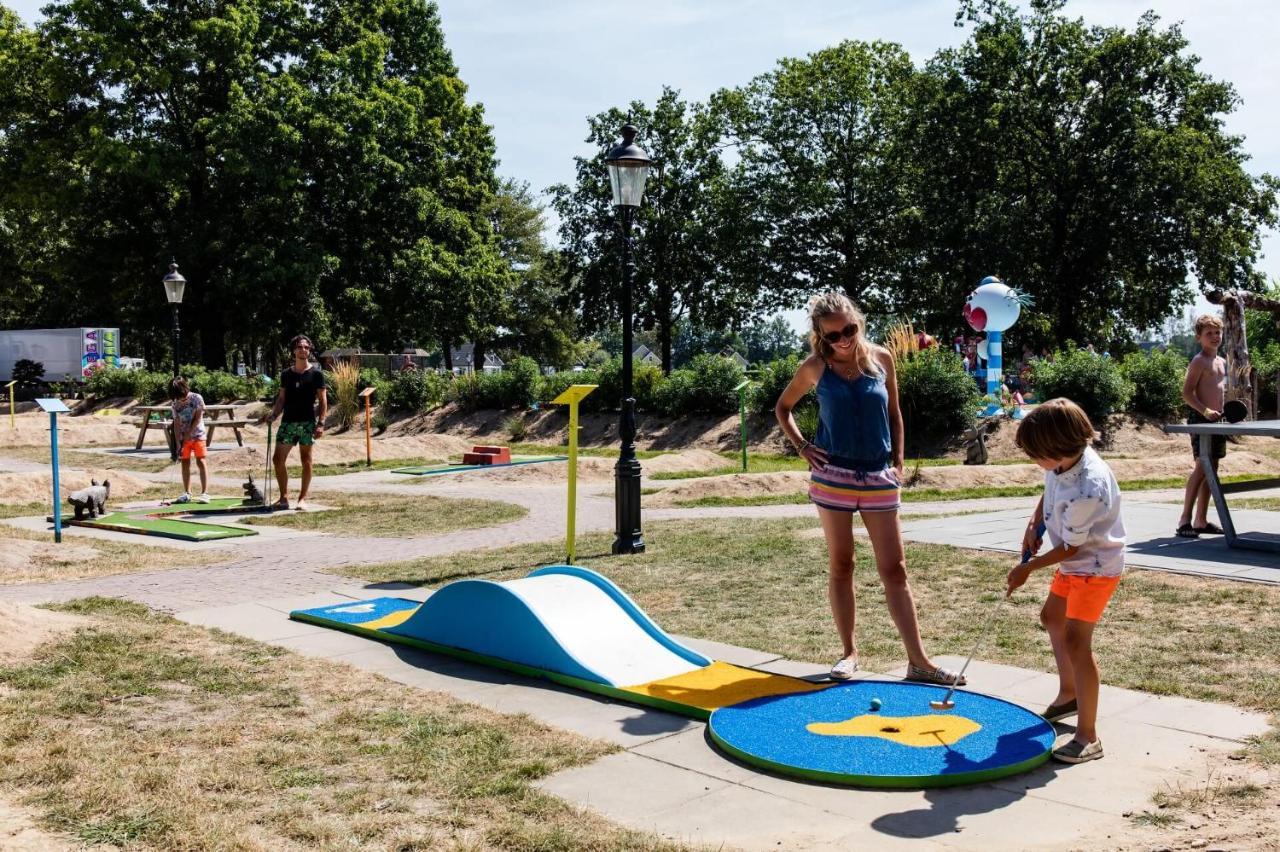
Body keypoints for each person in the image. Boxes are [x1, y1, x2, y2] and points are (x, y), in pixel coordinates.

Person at [775, 291, 964, 686]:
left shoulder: (882, 359)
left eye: (849, 329)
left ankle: (919, 662)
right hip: (833, 478)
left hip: (879, 476)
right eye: (833, 336)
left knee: (894, 569)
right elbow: (783, 407)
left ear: (858, 322)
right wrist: (802, 445)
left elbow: (894, 412)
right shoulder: (816, 367)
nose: (843, 339)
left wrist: (898, 460)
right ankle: (849, 653)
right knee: (842, 565)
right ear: (820, 337)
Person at [1007, 398, 1125, 764]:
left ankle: (1088, 736)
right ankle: (1070, 695)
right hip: (1077, 563)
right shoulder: (1062, 463)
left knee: (1077, 642)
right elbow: (1049, 489)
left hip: (1095, 567)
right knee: (1052, 618)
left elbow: (1071, 548)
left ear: (1056, 447)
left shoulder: (1089, 486)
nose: (1034, 461)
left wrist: (1028, 568)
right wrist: (1034, 524)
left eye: (1035, 454)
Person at [257, 334, 327, 511]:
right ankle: (284, 498)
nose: (303, 350)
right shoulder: (286, 375)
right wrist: (273, 414)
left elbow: (323, 400)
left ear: (309, 350)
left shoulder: (316, 374)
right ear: (294, 350)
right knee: (277, 459)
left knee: (306, 460)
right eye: (300, 347)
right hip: (288, 421)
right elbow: (281, 399)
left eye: (306, 347)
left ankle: (302, 498)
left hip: (307, 423)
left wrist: (321, 423)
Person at [1176, 314, 1227, 538]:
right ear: (1199, 338)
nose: (1215, 337)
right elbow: (1186, 394)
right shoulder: (1199, 361)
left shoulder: (1222, 361)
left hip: (1218, 422)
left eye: (1217, 332)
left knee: (1212, 470)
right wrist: (1205, 411)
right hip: (1201, 420)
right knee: (1201, 468)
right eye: (1209, 333)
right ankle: (1184, 520)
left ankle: (1201, 520)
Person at [169, 376, 210, 503]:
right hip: (183, 438)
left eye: (180, 395)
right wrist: (177, 441)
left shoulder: (197, 398)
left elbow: (198, 418)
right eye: (176, 396)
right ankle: (187, 492)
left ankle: (205, 493)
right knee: (185, 463)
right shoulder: (175, 403)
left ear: (184, 388)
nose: (179, 399)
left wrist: (189, 433)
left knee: (201, 462)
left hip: (198, 435)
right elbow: (176, 423)